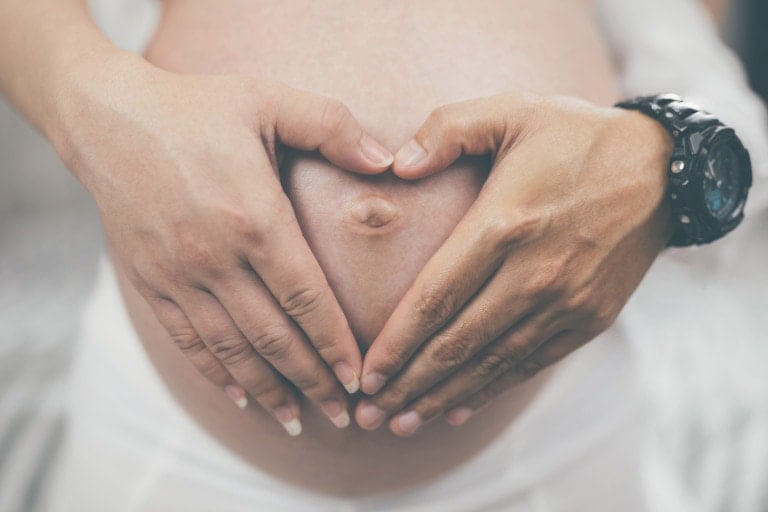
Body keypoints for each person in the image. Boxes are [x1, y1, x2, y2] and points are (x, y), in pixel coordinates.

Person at [1, 0, 766, 510]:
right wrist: (84, 107)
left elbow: (709, 88)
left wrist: (663, 160)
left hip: (545, 443)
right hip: (172, 445)